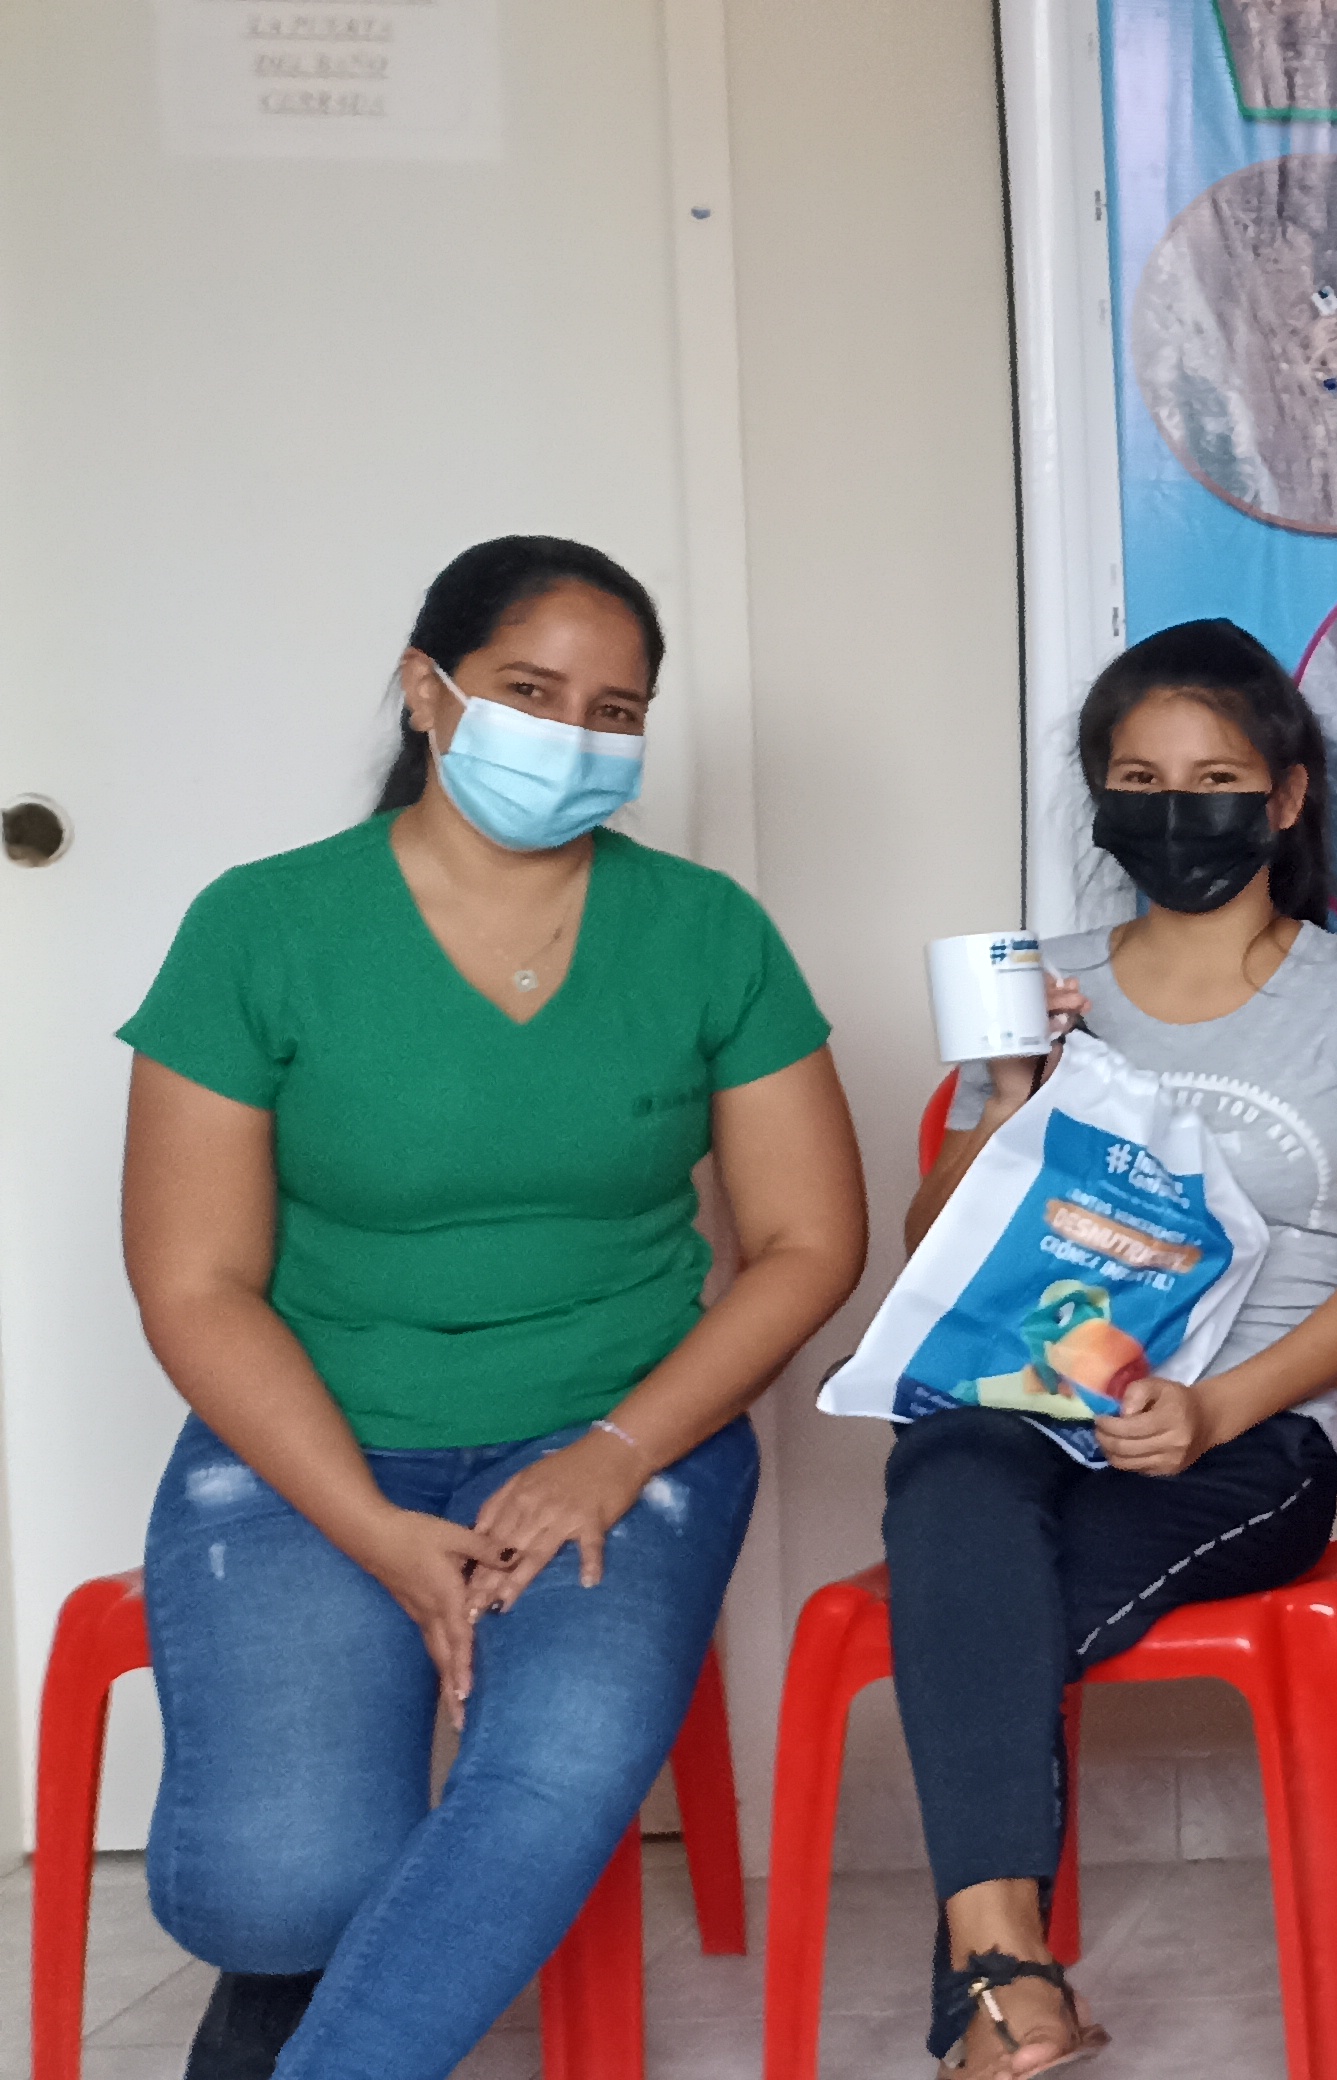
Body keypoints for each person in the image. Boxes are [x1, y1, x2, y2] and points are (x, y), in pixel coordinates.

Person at [113, 537, 867, 2080]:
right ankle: (309, 1977)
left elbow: (809, 1241)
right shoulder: (262, 927)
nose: (573, 736)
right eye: (531, 692)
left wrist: (614, 1452)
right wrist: (376, 1530)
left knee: (555, 1770)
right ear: (426, 690)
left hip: (616, 1434)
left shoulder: (707, 932)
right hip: (318, 1441)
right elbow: (194, 1282)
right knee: (278, 1891)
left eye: (615, 711)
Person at [880, 618, 1337, 2076]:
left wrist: (1212, 1408)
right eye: (1138, 781)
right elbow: (933, 1246)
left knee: (976, 1602)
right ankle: (1012, 1969)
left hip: (1247, 1439)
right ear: (1099, 799)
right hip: (1032, 1405)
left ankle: (988, 1989)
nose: (1175, 810)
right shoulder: (1043, 981)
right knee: (949, 1466)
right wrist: (1016, 1091)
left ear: (1287, 797)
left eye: (1214, 780)